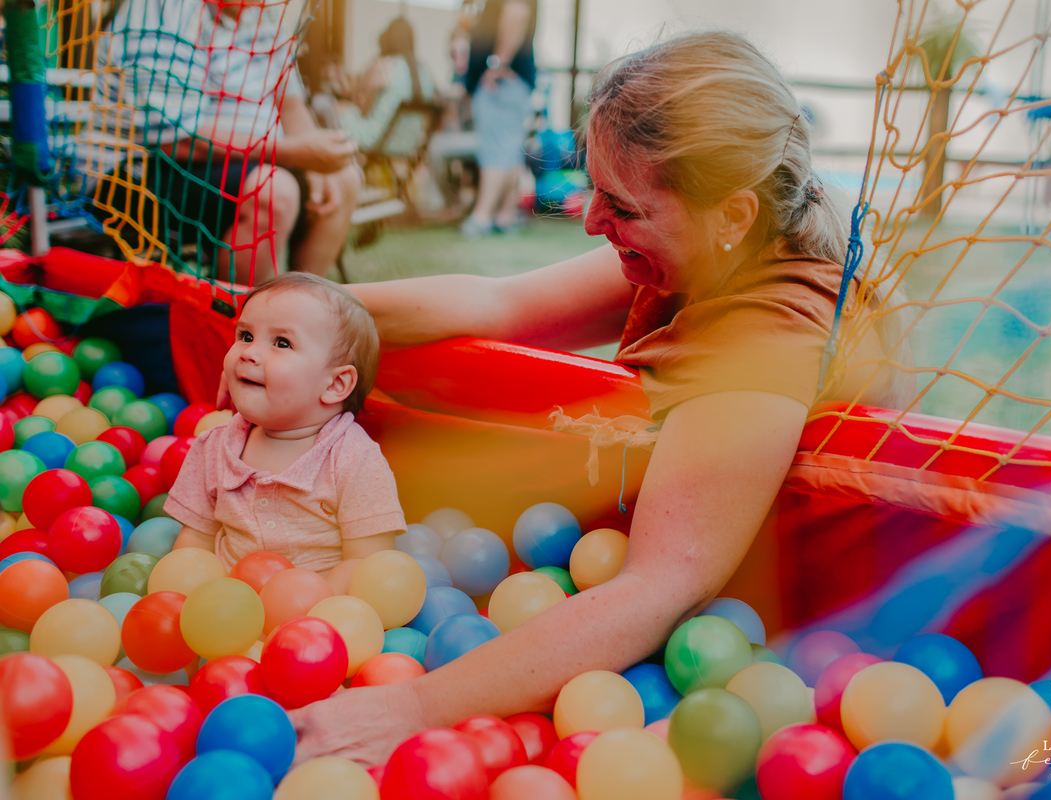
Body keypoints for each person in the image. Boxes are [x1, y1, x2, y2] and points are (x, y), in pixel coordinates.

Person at [289, 32, 910, 763]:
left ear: (733, 215)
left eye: (621, 205)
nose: (588, 222)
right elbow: (498, 304)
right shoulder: (715, 243)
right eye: (594, 191)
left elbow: (659, 587)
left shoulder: (768, 335)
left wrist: (411, 706)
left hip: (762, 649)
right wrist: (291, 310)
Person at [86, 0, 362, 285]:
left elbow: (290, 105)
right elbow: (176, 139)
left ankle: (303, 310)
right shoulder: (160, 10)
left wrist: (318, 167)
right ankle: (231, 321)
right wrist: (296, 154)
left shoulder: (263, 19)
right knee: (275, 192)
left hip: (236, 161)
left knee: (345, 179)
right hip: (138, 170)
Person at [165, 273, 405, 574]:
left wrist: (313, 612)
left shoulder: (355, 462)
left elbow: (365, 565)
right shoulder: (213, 446)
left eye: (281, 342)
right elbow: (196, 540)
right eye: (245, 336)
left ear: (335, 385)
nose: (249, 353)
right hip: (230, 608)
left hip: (316, 611)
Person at [459, 0, 536, 236]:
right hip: (512, 82)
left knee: (495, 148)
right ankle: (506, 214)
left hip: (501, 82)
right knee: (509, 149)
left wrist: (496, 66)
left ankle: (482, 216)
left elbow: (517, 12)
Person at [334, 17, 438, 152]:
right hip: (411, 146)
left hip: (379, 140)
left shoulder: (386, 65)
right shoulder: (424, 71)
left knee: (335, 108)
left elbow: (364, 109)